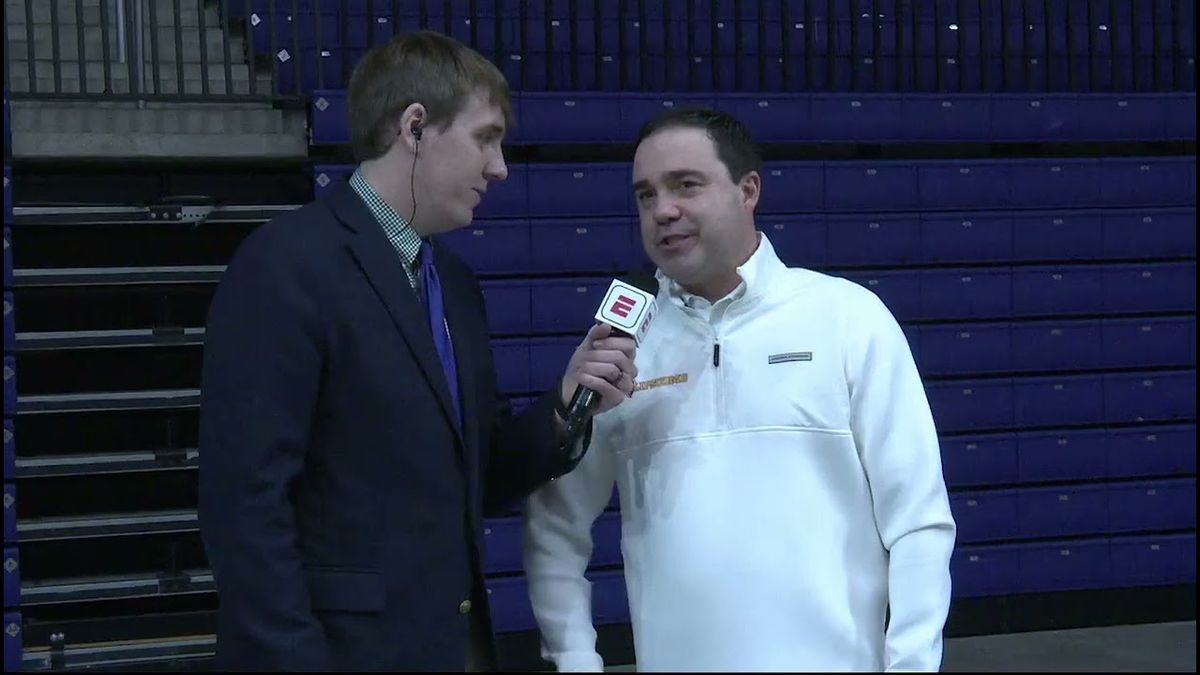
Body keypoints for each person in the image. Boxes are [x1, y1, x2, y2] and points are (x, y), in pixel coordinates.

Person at [197, 31, 638, 672]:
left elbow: (477, 476)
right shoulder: (286, 264)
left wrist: (566, 405)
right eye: (485, 138)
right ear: (415, 127)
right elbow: (244, 506)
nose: (500, 167)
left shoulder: (453, 284)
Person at [522, 108, 957, 672]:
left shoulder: (848, 317)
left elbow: (918, 522)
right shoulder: (619, 350)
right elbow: (554, 529)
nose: (663, 210)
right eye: (645, 195)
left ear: (748, 189)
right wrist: (575, 661)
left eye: (686, 185)